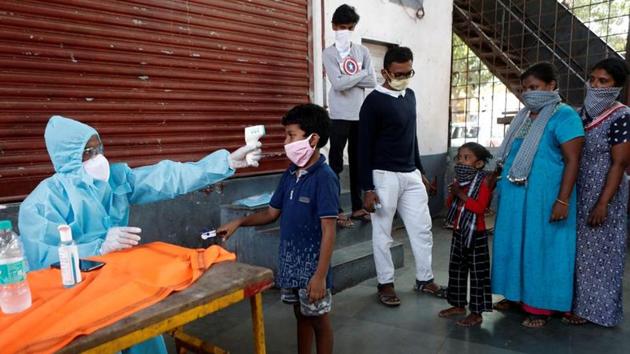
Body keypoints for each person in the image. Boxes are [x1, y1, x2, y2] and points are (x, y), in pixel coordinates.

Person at [18, 115, 261, 354]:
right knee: (101, 343)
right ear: (67, 158)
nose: (98, 158)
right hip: (76, 298)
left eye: (99, 148)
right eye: (88, 152)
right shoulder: (42, 204)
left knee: (143, 333)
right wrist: (97, 248)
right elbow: (42, 261)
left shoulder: (114, 180)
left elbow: (165, 178)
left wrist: (225, 163)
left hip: (122, 281)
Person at [218, 104, 338, 354]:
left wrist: (319, 276)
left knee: (319, 320)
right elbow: (271, 213)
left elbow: (329, 230)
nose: (286, 142)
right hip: (290, 264)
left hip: (313, 268)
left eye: (291, 135)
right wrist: (239, 222)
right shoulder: (290, 173)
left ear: (313, 139)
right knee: (300, 314)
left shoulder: (325, 178)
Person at [491, 62, 584, 328]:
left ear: (552, 86)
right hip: (515, 197)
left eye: (535, 87)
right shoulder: (524, 116)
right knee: (512, 245)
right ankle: (515, 296)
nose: (529, 93)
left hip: (545, 199)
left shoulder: (564, 116)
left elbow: (573, 160)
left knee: (541, 248)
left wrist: (563, 200)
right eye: (525, 89)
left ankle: (540, 306)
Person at [358, 46, 443, 307]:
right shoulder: (373, 101)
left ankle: (424, 279)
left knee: (422, 230)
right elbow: (362, 146)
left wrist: (422, 171)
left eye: (409, 72)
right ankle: (385, 284)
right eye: (399, 73)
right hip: (384, 176)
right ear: (384, 71)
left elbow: (411, 137)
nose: (404, 77)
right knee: (383, 233)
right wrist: (367, 188)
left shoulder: (410, 95)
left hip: (411, 174)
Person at [564, 58, 630, 327]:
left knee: (602, 253)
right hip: (579, 190)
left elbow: (620, 163)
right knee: (578, 251)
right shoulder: (579, 114)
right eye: (592, 79)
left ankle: (597, 311)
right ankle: (575, 304)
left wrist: (603, 203)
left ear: (617, 87)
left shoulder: (621, 115)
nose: (595, 85)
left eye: (603, 81)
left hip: (605, 193)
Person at [323, 4, 376, 227]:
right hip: (337, 115)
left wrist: (351, 76)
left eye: (349, 27)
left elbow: (372, 81)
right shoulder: (329, 53)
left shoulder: (362, 52)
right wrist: (361, 73)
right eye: (341, 26)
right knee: (335, 162)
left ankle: (357, 207)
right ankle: (335, 208)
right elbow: (337, 84)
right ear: (334, 26)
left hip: (358, 115)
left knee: (358, 162)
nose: (345, 30)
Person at [439, 143, 494, 327]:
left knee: (478, 274)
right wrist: (454, 193)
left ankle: (477, 312)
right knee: (456, 269)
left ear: (478, 164)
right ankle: (458, 304)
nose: (461, 161)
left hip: (476, 233)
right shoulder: (458, 182)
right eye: (459, 157)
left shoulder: (483, 181)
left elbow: (479, 208)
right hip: (458, 231)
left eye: (466, 158)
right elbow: (450, 205)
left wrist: (460, 195)